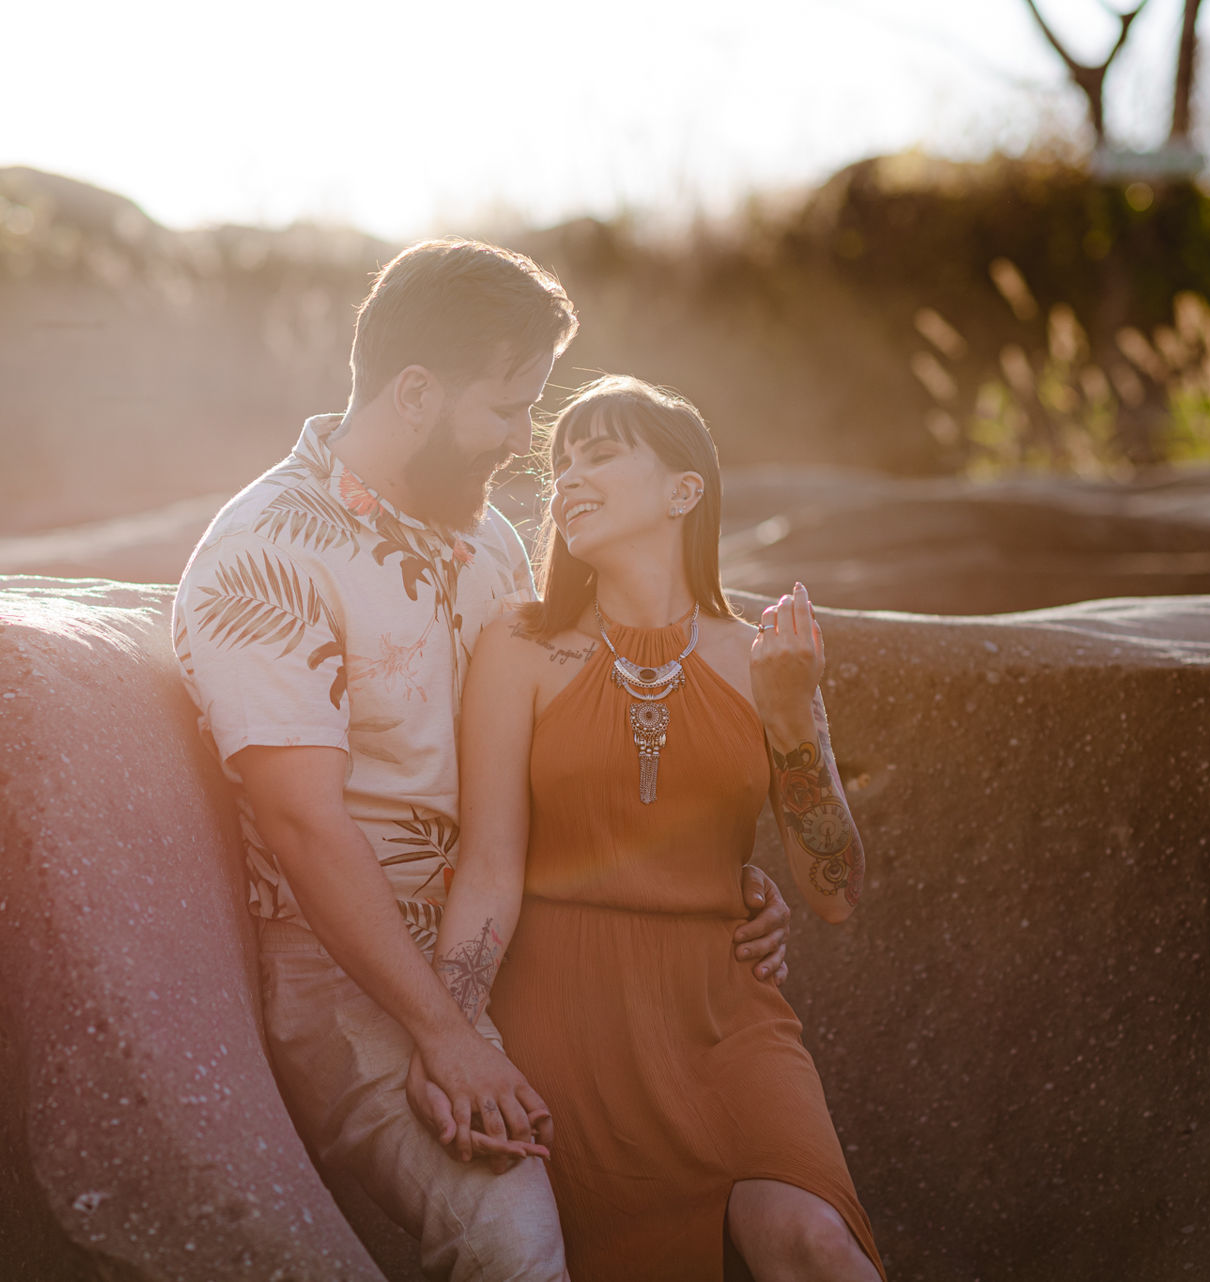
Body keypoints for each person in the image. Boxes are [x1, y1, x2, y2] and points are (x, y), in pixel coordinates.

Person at [171, 240, 793, 1281]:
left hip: (528, 934)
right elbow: (302, 824)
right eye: (508, 410)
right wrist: (446, 1035)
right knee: (512, 1232)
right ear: (416, 391)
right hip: (357, 974)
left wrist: (704, 877)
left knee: (740, 1177)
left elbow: (567, 747)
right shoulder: (263, 557)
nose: (525, 444)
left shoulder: (492, 543)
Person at [410, 375, 886, 1281]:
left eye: (600, 454)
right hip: (565, 1019)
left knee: (817, 1243)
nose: (567, 479)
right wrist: (454, 1035)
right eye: (560, 465)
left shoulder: (762, 659)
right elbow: (488, 867)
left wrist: (792, 718)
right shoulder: (522, 644)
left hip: (727, 1014)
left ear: (684, 490)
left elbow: (834, 895)